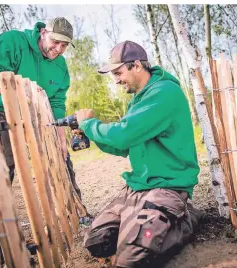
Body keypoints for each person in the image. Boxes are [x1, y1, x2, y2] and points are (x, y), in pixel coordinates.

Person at [75, 41, 203, 268]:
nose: (115, 80)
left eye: (118, 73)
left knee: (132, 258)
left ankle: (185, 218)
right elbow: (124, 146)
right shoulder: (138, 100)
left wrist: (89, 125)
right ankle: (143, 222)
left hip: (167, 187)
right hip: (137, 188)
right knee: (97, 242)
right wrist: (92, 134)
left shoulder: (164, 93)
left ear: (136, 65)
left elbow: (124, 134)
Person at [0, 17, 82, 199]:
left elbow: (57, 102)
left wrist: (60, 135)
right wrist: (18, 88)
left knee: (60, 155)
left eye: (65, 45)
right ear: (43, 32)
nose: (59, 49)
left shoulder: (61, 65)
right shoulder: (12, 41)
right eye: (55, 42)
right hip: (0, 109)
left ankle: (76, 206)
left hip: (36, 112)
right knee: (5, 160)